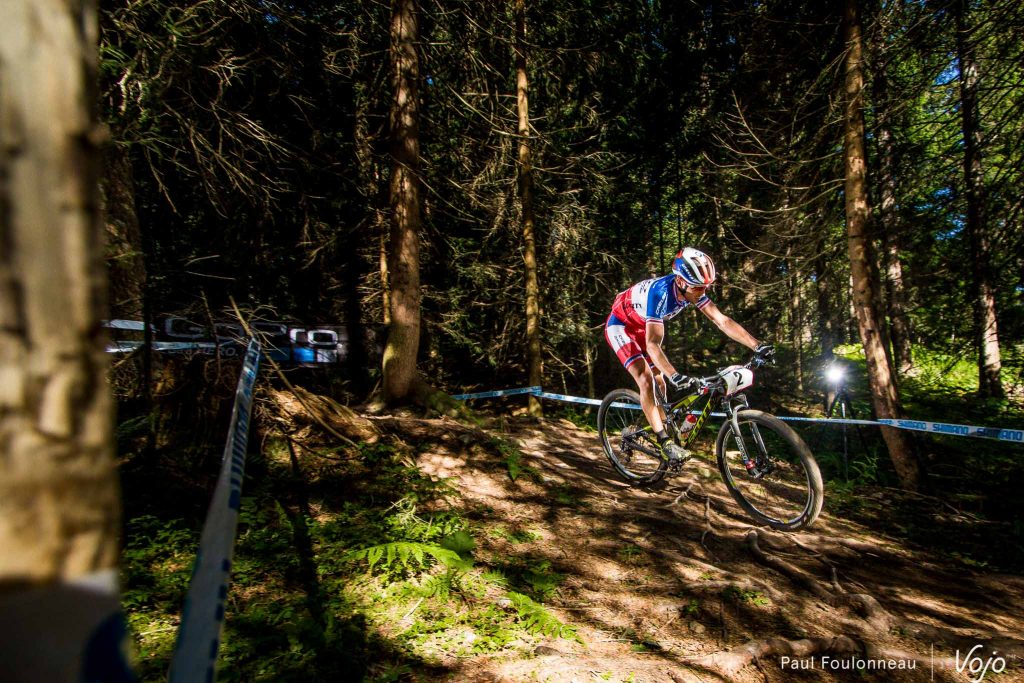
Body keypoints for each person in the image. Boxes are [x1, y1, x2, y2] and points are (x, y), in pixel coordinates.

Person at [604, 247, 774, 463]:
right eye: (698, 287)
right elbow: (653, 344)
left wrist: (757, 346)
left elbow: (722, 321)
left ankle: (658, 432)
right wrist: (674, 375)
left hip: (642, 326)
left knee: (660, 383)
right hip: (621, 326)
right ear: (681, 281)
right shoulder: (660, 293)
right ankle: (664, 442)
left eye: (706, 287)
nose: (702, 291)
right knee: (646, 380)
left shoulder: (691, 290)